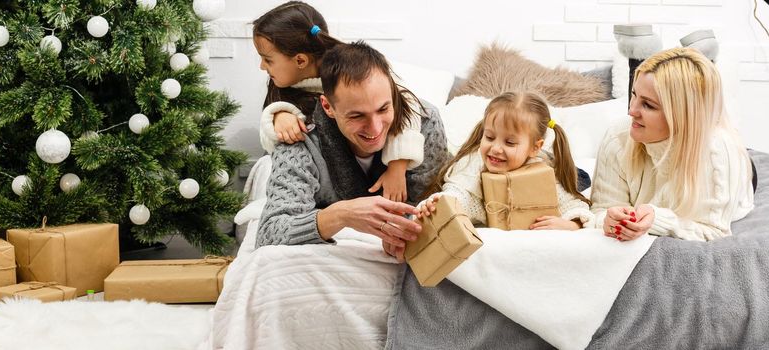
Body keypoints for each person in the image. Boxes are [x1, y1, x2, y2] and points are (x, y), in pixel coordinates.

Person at [256, 41, 450, 261]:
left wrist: (399, 230)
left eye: (383, 109)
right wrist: (343, 214)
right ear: (328, 107)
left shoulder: (426, 124)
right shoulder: (299, 142)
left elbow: (433, 204)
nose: (375, 128)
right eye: (357, 116)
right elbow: (268, 233)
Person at [252, 1, 425, 203]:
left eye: (268, 60)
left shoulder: (357, 67)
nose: (262, 66)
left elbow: (407, 103)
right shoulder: (282, 88)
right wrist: (277, 115)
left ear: (300, 61)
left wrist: (398, 165)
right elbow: (272, 147)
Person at [590, 47, 754, 242]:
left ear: (681, 116)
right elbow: (601, 209)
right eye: (634, 95)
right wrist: (609, 220)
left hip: (735, 176)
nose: (631, 111)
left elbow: (713, 230)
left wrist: (656, 219)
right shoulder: (618, 137)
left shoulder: (717, 151)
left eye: (648, 105)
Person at [417, 91, 594, 229]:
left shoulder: (542, 170)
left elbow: (573, 205)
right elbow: (459, 193)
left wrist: (572, 224)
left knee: (579, 179)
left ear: (535, 147)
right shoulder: (473, 166)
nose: (495, 148)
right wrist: (441, 203)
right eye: (489, 137)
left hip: (564, 169)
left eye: (509, 142)